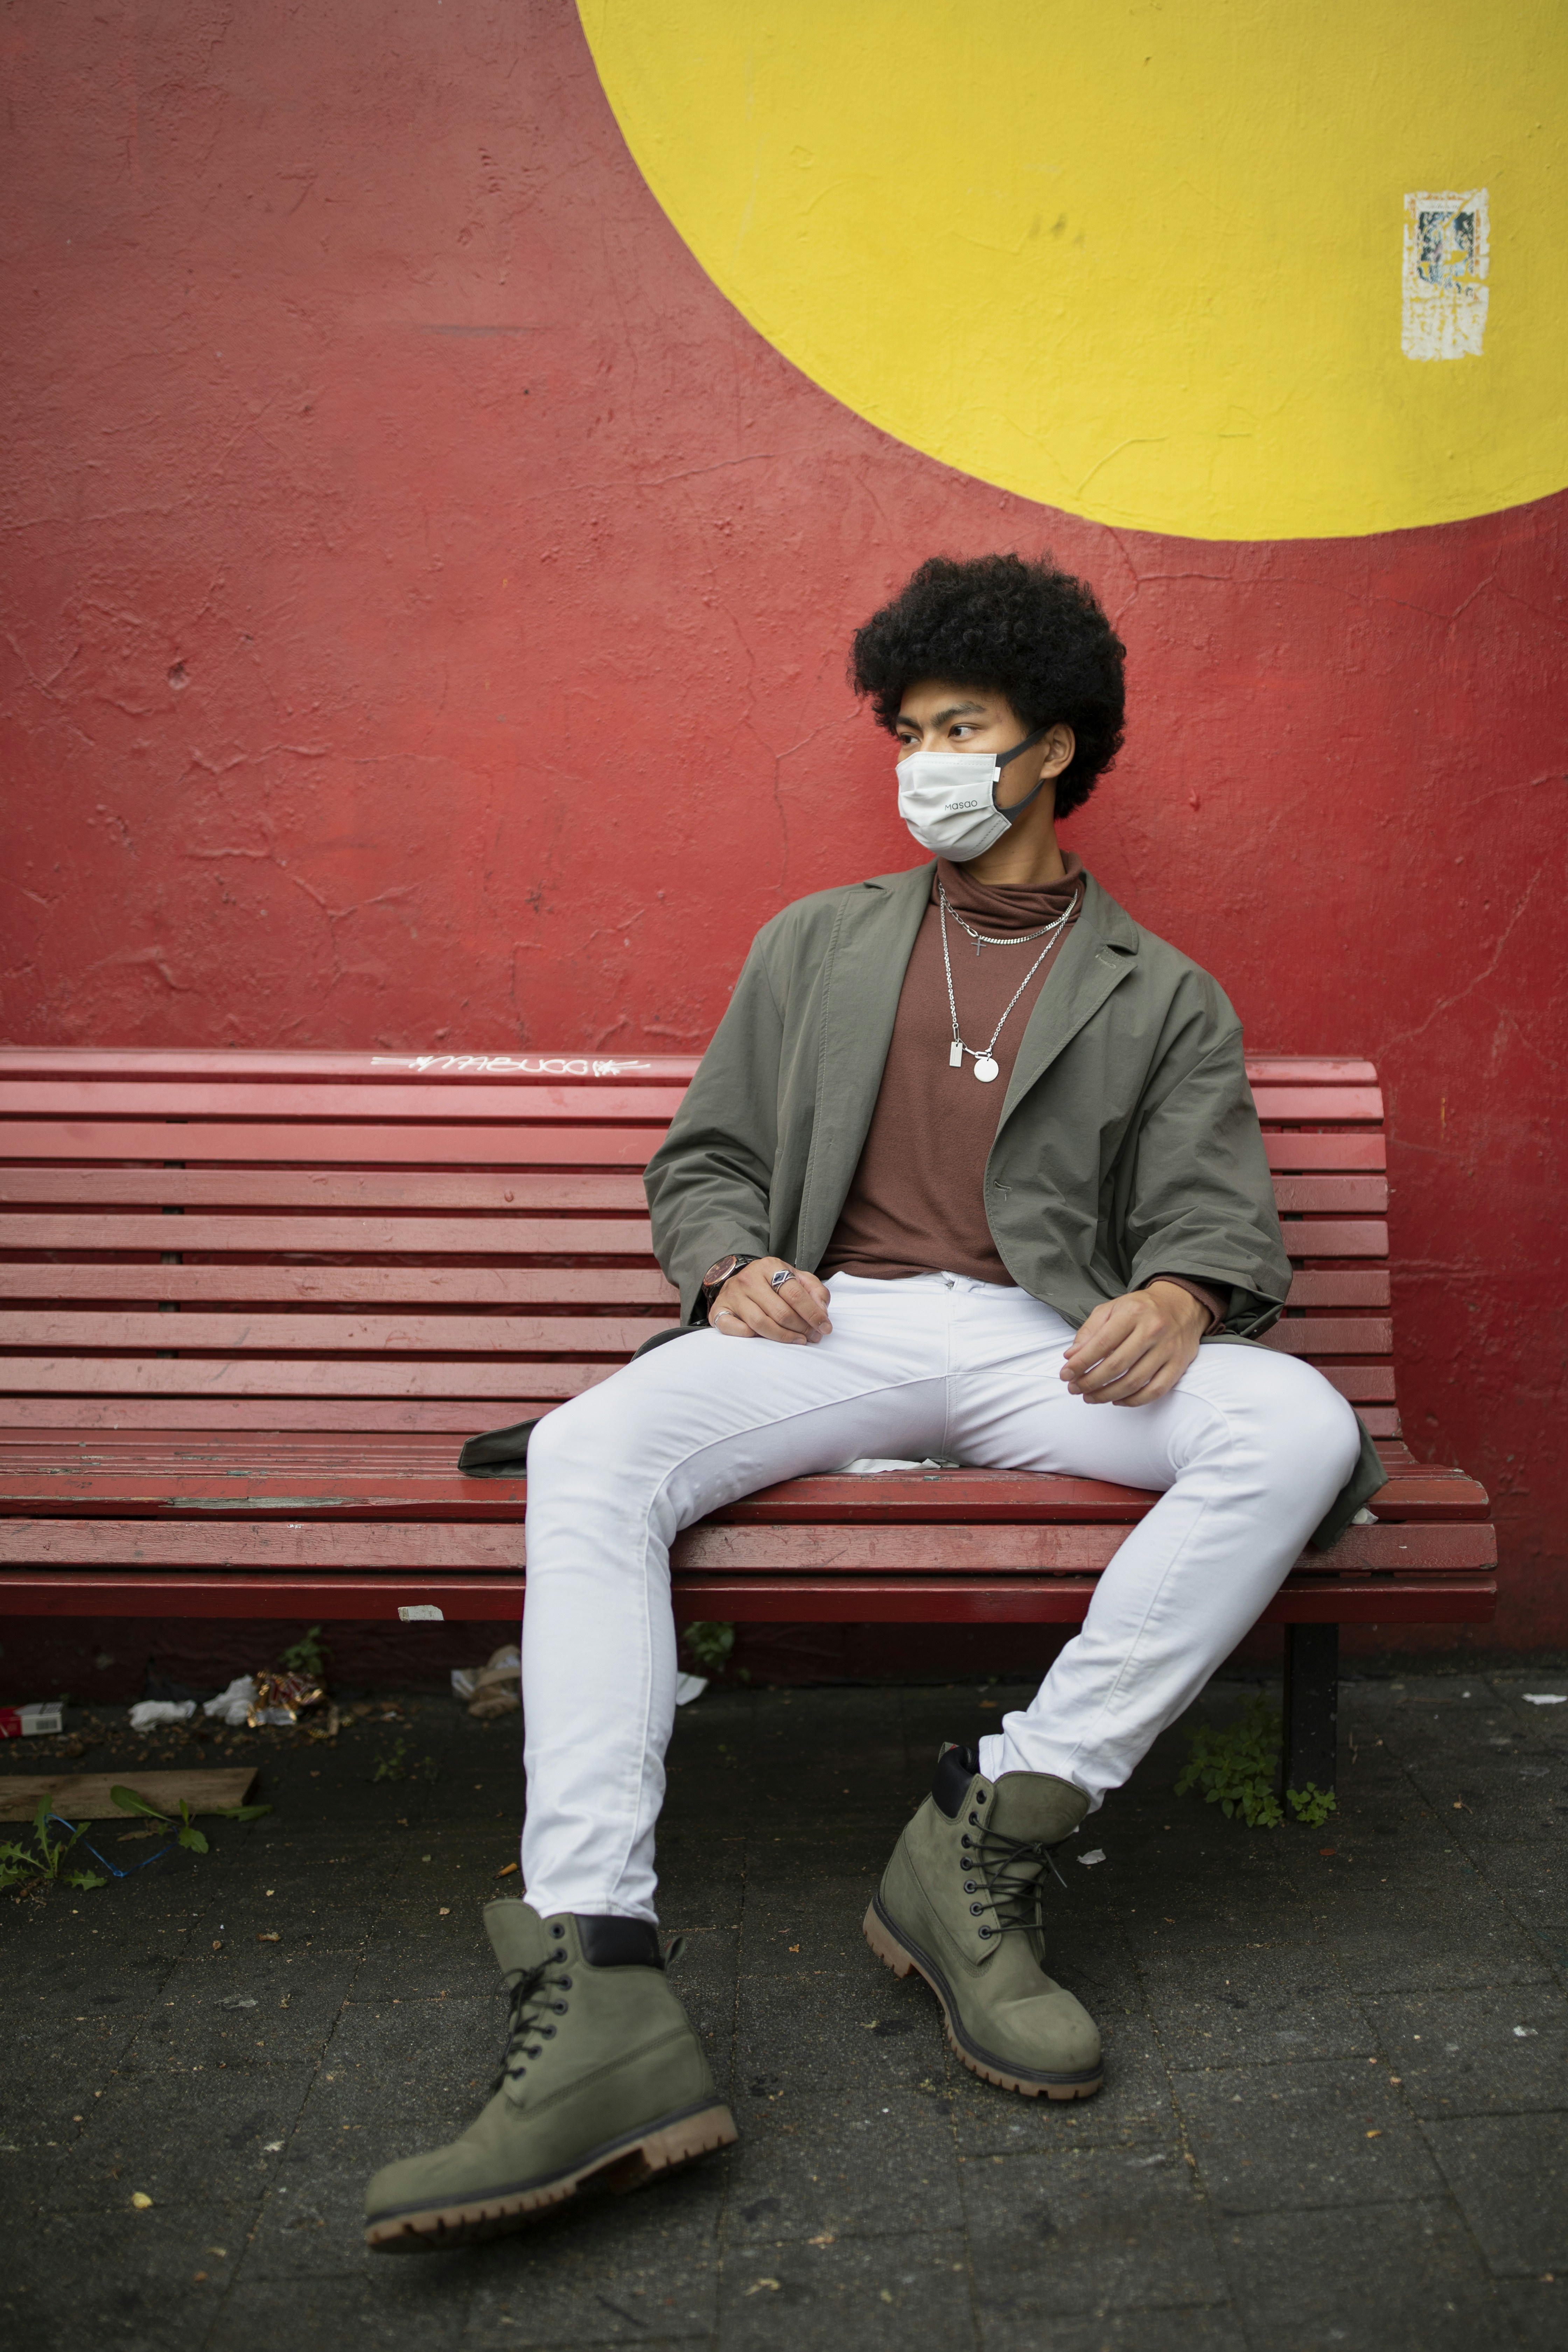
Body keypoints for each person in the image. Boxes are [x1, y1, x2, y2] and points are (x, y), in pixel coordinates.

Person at [364, 552, 1377, 2250]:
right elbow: (707, 1162)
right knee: (595, 1447)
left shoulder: (1161, 990)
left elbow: (1220, 1216)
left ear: (1049, 747)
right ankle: (597, 1964)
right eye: (904, 728)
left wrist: (1182, 1296)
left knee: (1296, 1426)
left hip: (1046, 1353)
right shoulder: (817, 945)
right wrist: (725, 1270)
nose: (922, 759)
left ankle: (991, 1828)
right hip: (835, 1331)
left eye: (958, 726)